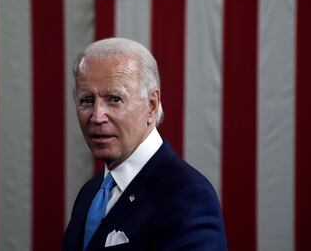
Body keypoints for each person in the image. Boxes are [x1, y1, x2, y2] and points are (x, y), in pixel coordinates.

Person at [62, 38, 228, 251]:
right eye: (87, 100)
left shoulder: (188, 197)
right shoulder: (91, 192)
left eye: (114, 99)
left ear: (151, 106)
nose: (97, 116)